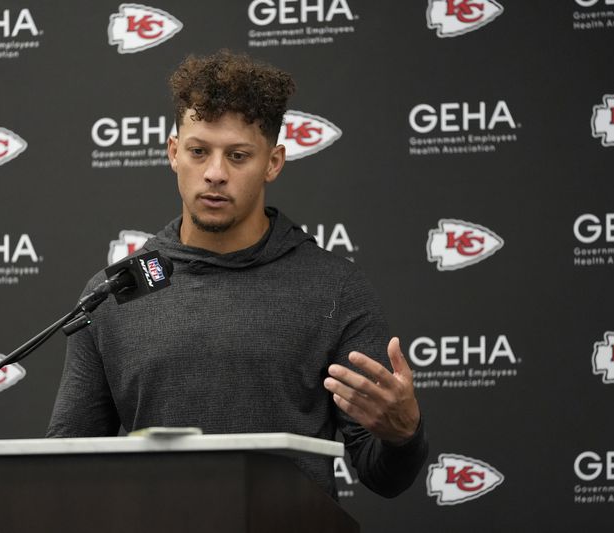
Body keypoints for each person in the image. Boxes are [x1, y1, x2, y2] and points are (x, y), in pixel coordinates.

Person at [48, 50, 427, 499]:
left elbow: (383, 476)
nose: (214, 174)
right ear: (173, 153)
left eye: (238, 156)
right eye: (198, 151)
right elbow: (67, 466)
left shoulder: (334, 288)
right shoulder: (115, 291)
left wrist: (404, 436)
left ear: (273, 162)